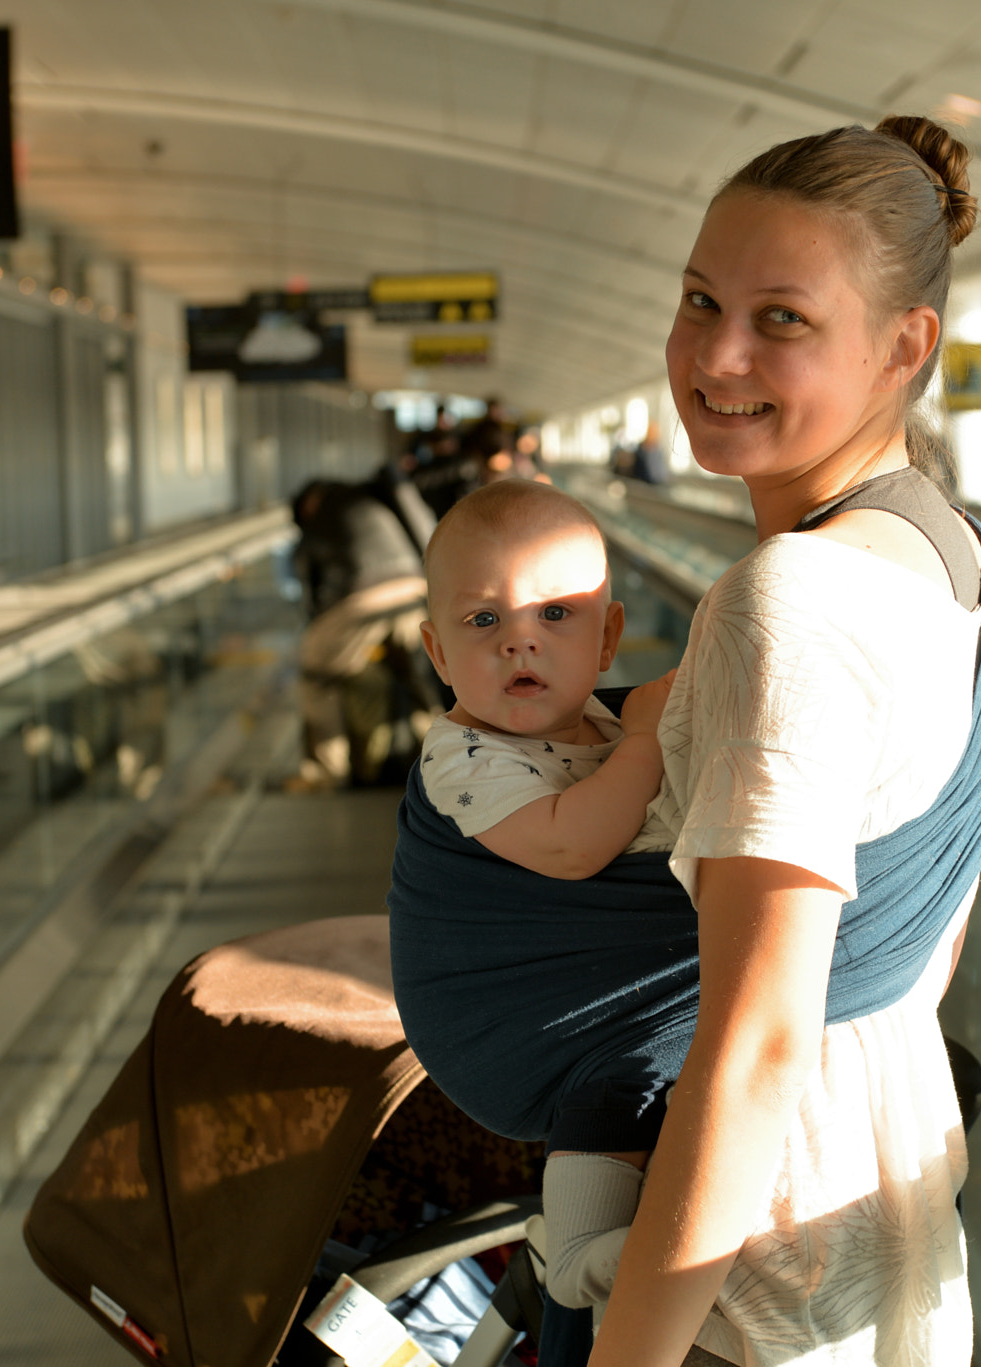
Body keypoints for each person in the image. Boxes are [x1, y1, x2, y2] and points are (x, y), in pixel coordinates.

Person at [388, 115, 981, 1367]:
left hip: (732, 1282)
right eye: (698, 299)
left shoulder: (783, 603)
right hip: (870, 1196)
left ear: (907, 346)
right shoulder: (960, 561)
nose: (715, 353)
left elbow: (755, 1046)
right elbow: (920, 932)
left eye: (780, 317)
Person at [410, 478, 680, 1310]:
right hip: (519, 1022)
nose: (519, 643)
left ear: (609, 636)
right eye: (484, 620)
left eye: (555, 615)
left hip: (617, 1001)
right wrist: (646, 740)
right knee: (609, 1090)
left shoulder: (599, 723)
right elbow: (571, 844)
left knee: (643, 1072)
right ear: (437, 652)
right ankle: (578, 1250)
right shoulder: (462, 755)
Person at [290, 466, 439, 786]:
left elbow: (310, 589)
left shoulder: (319, 515)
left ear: (306, 504)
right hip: (412, 589)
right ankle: (442, 765)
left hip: (358, 597)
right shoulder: (372, 498)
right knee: (419, 678)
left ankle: (325, 774)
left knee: (318, 678)